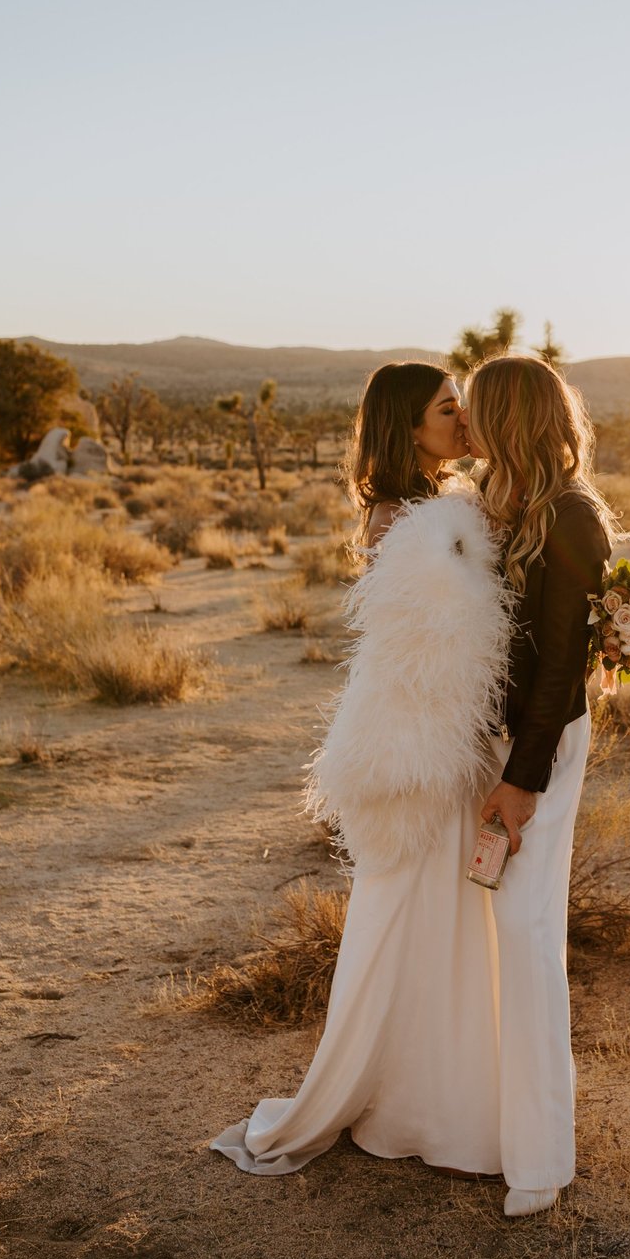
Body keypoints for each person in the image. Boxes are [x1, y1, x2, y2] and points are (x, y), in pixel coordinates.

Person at [210, 362, 509, 1178]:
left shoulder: (449, 502)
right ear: (409, 426)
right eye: (449, 408)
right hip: (428, 747)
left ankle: (445, 1090)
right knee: (417, 912)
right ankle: (411, 1100)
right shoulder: (399, 518)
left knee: (449, 919)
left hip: (456, 742)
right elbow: (435, 649)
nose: (463, 417)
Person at [462, 353, 613, 1216]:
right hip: (493, 739)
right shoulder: (502, 502)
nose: (469, 425)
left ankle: (540, 1159)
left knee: (523, 931)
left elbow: (562, 666)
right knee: (492, 928)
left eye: (478, 408)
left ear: (510, 414)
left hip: (539, 744)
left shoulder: (571, 514)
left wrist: (522, 782)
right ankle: (489, 1120)